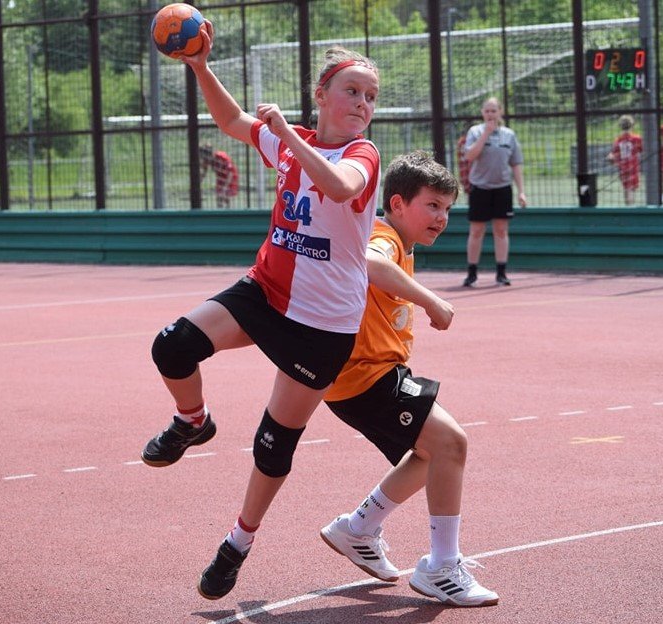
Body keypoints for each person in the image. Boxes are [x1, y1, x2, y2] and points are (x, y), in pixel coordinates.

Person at [140, 21, 382, 601]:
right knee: (171, 345)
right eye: (352, 90)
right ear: (321, 94)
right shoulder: (289, 140)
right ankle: (192, 421)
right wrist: (200, 67)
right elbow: (230, 121)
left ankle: (237, 543)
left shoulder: (363, 154)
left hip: (322, 326)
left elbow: (340, 187)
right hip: (266, 291)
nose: (362, 103)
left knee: (274, 443)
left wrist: (287, 135)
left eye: (371, 96)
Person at [319, 151, 498, 607]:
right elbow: (370, 263)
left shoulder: (402, 242)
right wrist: (431, 300)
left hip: (372, 374)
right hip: (364, 376)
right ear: (397, 204)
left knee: (428, 455)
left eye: (447, 208)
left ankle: (357, 529)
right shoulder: (384, 237)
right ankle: (442, 567)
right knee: (451, 443)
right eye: (432, 205)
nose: (441, 217)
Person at [461, 97, 527, 287]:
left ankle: (501, 272)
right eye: (487, 111)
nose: (490, 114)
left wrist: (521, 192)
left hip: (502, 188)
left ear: (500, 112)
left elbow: (516, 164)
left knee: (501, 230)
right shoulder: (475, 131)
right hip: (480, 188)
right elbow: (469, 155)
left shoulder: (509, 135)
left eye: (493, 111)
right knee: (476, 230)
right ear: (482, 113)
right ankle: (472, 273)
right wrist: (486, 134)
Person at [606, 114, 643, 206]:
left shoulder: (618, 140)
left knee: (627, 189)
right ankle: (630, 207)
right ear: (632, 125)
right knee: (631, 189)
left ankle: (628, 206)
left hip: (623, 167)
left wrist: (610, 158)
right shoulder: (637, 138)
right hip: (633, 166)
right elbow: (642, 149)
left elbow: (612, 154)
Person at [199, 144, 239, 208]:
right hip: (220, 177)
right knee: (219, 197)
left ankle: (229, 210)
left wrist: (225, 187)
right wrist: (197, 183)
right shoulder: (206, 160)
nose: (203, 159)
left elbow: (230, 173)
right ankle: (220, 210)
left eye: (203, 156)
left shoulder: (221, 156)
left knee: (225, 195)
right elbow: (204, 172)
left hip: (230, 176)